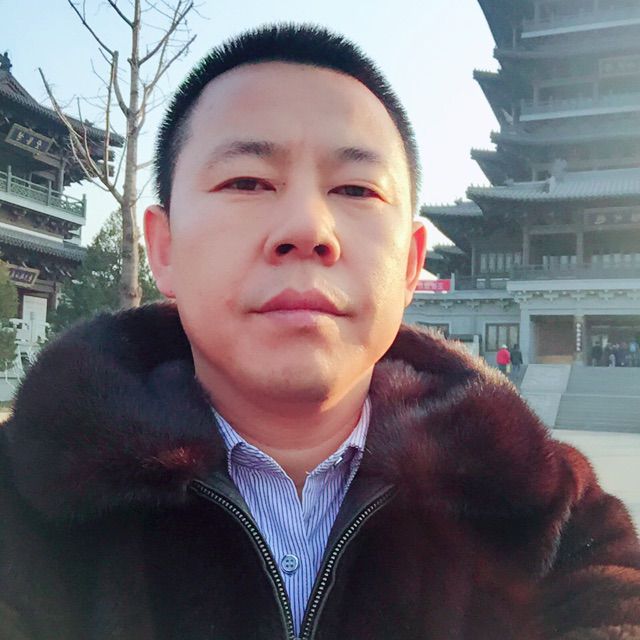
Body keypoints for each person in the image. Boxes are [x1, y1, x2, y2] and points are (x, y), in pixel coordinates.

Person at [1, 25, 639, 640]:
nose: (307, 229)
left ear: (412, 263)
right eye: (247, 181)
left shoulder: (548, 512)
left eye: (355, 189)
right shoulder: (22, 501)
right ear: (163, 248)